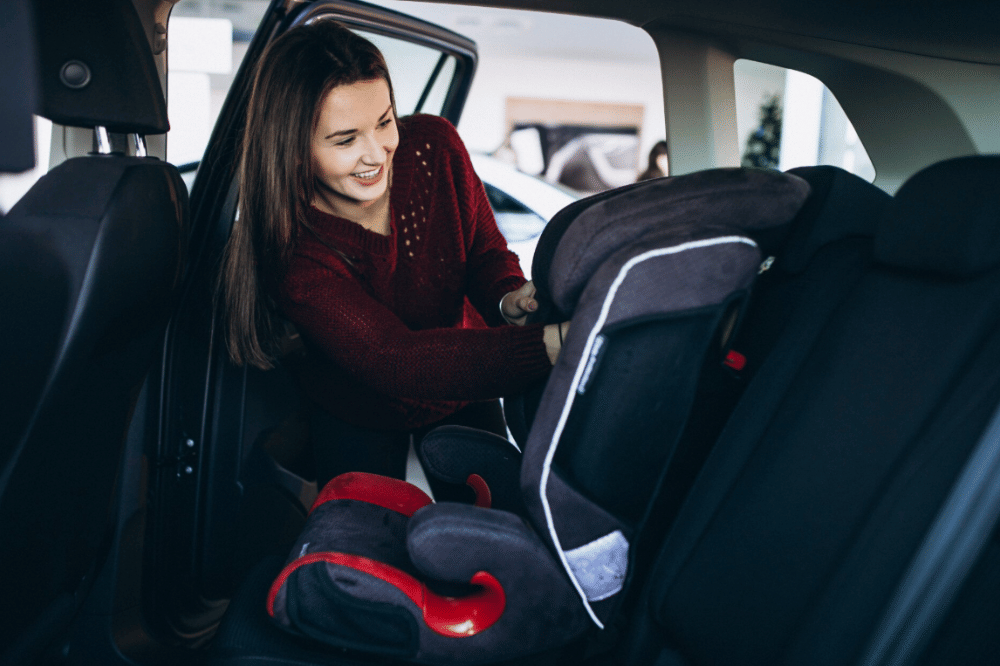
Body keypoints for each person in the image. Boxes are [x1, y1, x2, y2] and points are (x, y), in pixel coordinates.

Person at [219, 20, 569, 496]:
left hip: (468, 383)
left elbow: (485, 252)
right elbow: (394, 359)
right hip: (355, 410)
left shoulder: (435, 146)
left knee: (491, 535)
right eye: (345, 140)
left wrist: (509, 301)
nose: (376, 154)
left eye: (384, 122)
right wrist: (551, 345)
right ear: (293, 148)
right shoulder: (291, 246)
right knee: (364, 546)